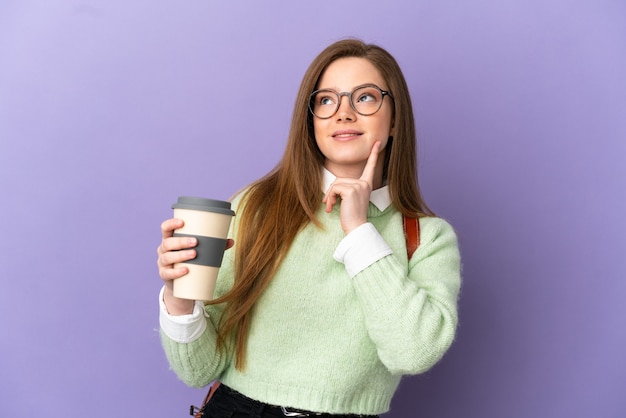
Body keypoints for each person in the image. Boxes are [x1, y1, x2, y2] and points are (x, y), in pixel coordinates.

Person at [156, 39, 461, 418]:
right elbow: (197, 370)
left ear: (395, 118)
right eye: (326, 100)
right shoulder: (255, 206)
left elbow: (413, 352)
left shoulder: (428, 238)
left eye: (365, 98)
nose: (343, 113)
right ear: (311, 118)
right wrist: (180, 299)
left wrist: (359, 231)